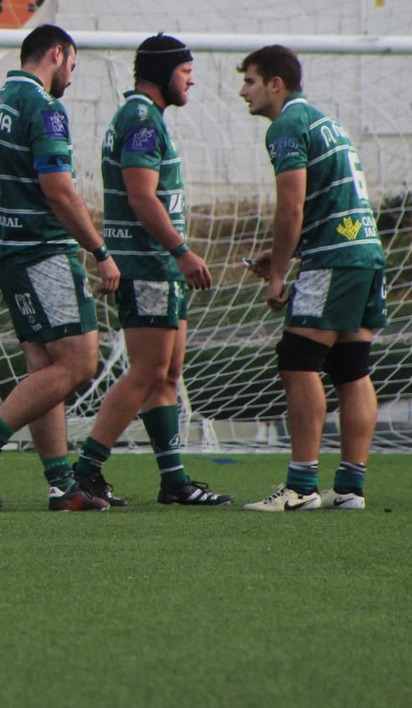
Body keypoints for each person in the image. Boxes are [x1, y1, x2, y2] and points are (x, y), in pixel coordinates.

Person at [0, 24, 118, 512]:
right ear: (57, 53)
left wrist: (5, 236)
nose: (71, 75)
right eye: (72, 64)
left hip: (5, 247)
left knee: (45, 366)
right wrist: (99, 250)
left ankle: (61, 485)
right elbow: (60, 190)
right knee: (79, 362)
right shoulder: (44, 108)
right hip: (43, 250)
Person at [71, 35, 230, 507]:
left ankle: (174, 481)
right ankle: (85, 471)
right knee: (146, 371)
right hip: (148, 263)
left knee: (167, 373)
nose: (192, 78)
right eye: (185, 70)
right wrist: (181, 251)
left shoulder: (147, 118)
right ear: (162, 72)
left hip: (159, 264)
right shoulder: (141, 119)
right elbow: (141, 195)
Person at [237, 46, 384, 512]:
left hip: (332, 259)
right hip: (364, 251)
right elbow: (326, 204)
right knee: (350, 367)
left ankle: (301, 487)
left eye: (251, 80)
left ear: (275, 83)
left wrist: (279, 273)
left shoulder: (286, 126)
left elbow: (292, 206)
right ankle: (349, 489)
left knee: (298, 360)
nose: (244, 91)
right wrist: (285, 251)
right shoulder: (326, 122)